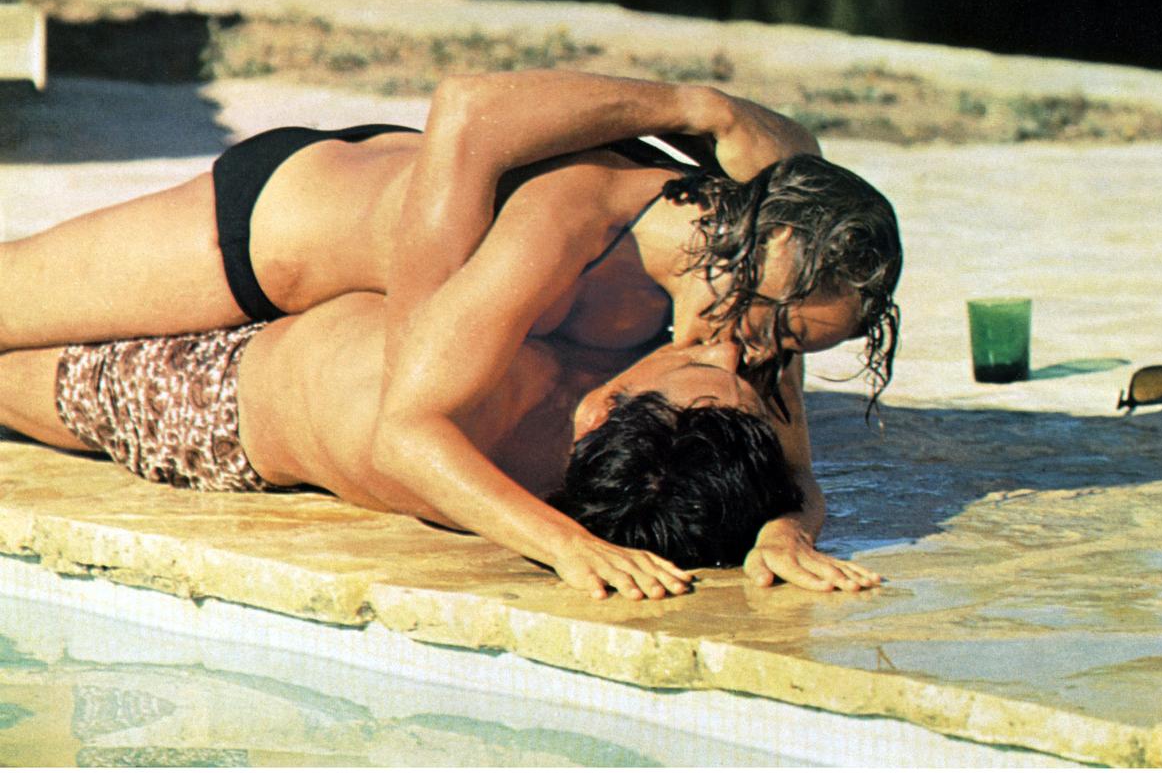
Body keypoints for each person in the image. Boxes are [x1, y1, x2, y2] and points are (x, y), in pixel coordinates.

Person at [0, 70, 903, 593]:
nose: (763, 359)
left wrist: (787, 530)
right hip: (279, 235)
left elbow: (792, 467)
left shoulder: (754, 305)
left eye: (798, 349)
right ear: (754, 252)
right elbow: (469, 108)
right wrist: (700, 106)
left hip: (322, 334)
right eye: (776, 327)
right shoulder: (572, 220)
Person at [0, 291, 882, 599]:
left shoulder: (481, 457)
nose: (731, 346)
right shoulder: (662, 439)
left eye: (703, 361)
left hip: (202, 393)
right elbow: (783, 446)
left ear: (606, 409)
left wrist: (567, 549)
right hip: (285, 316)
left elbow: (404, 440)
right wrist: (788, 523)